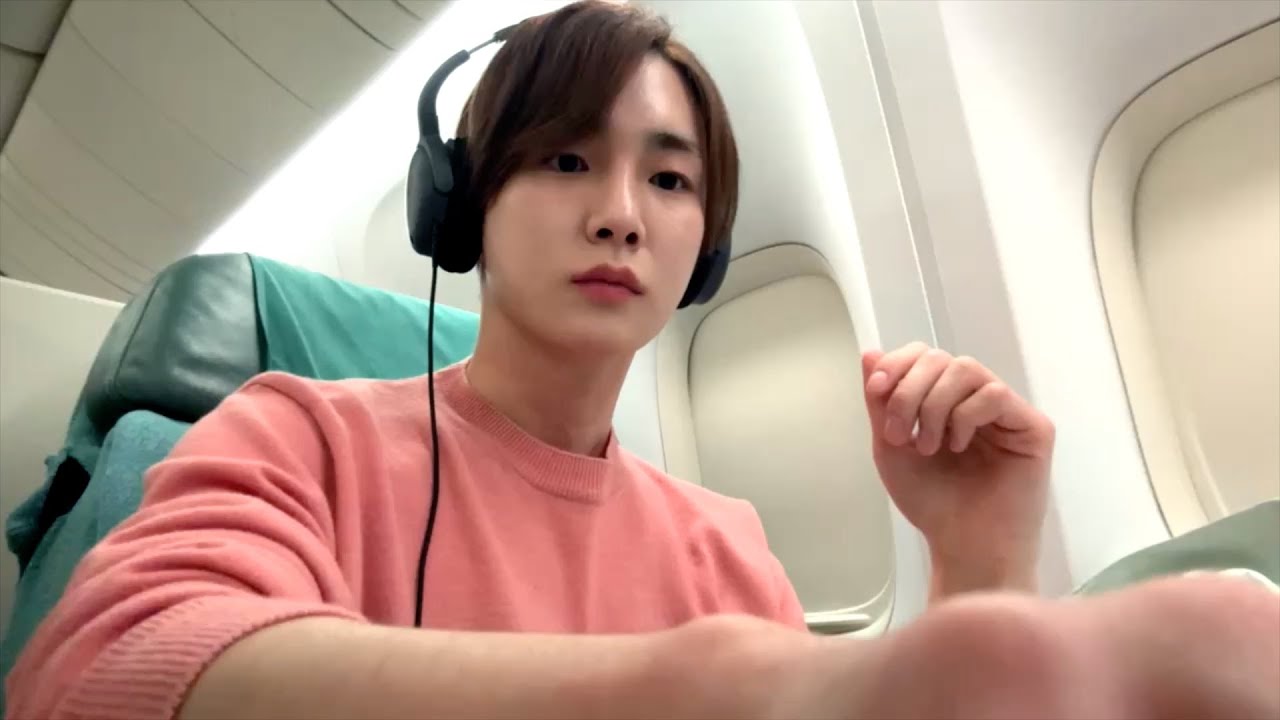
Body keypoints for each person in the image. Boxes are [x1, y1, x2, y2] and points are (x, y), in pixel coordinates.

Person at [7, 2, 1277, 719]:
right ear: (461, 202)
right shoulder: (296, 430)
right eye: (567, 160)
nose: (621, 213)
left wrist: (976, 557)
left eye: (669, 180)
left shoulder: (723, 541)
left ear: (703, 248)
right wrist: (705, 687)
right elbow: (100, 673)